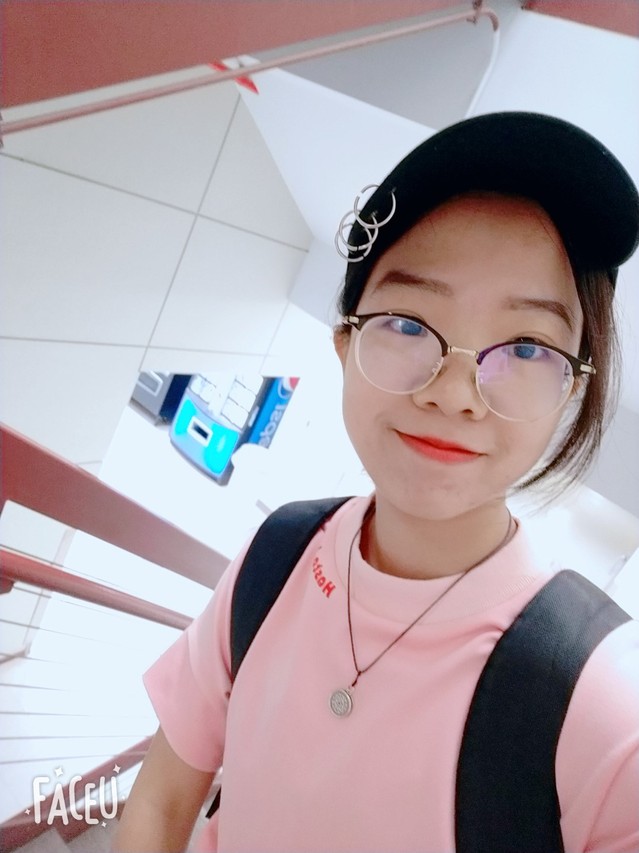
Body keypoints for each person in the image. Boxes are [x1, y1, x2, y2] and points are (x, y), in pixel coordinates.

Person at [113, 112, 639, 853]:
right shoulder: (280, 551)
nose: (453, 392)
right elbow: (163, 800)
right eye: (409, 323)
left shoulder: (603, 705)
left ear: (570, 390)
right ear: (344, 344)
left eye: (525, 346)